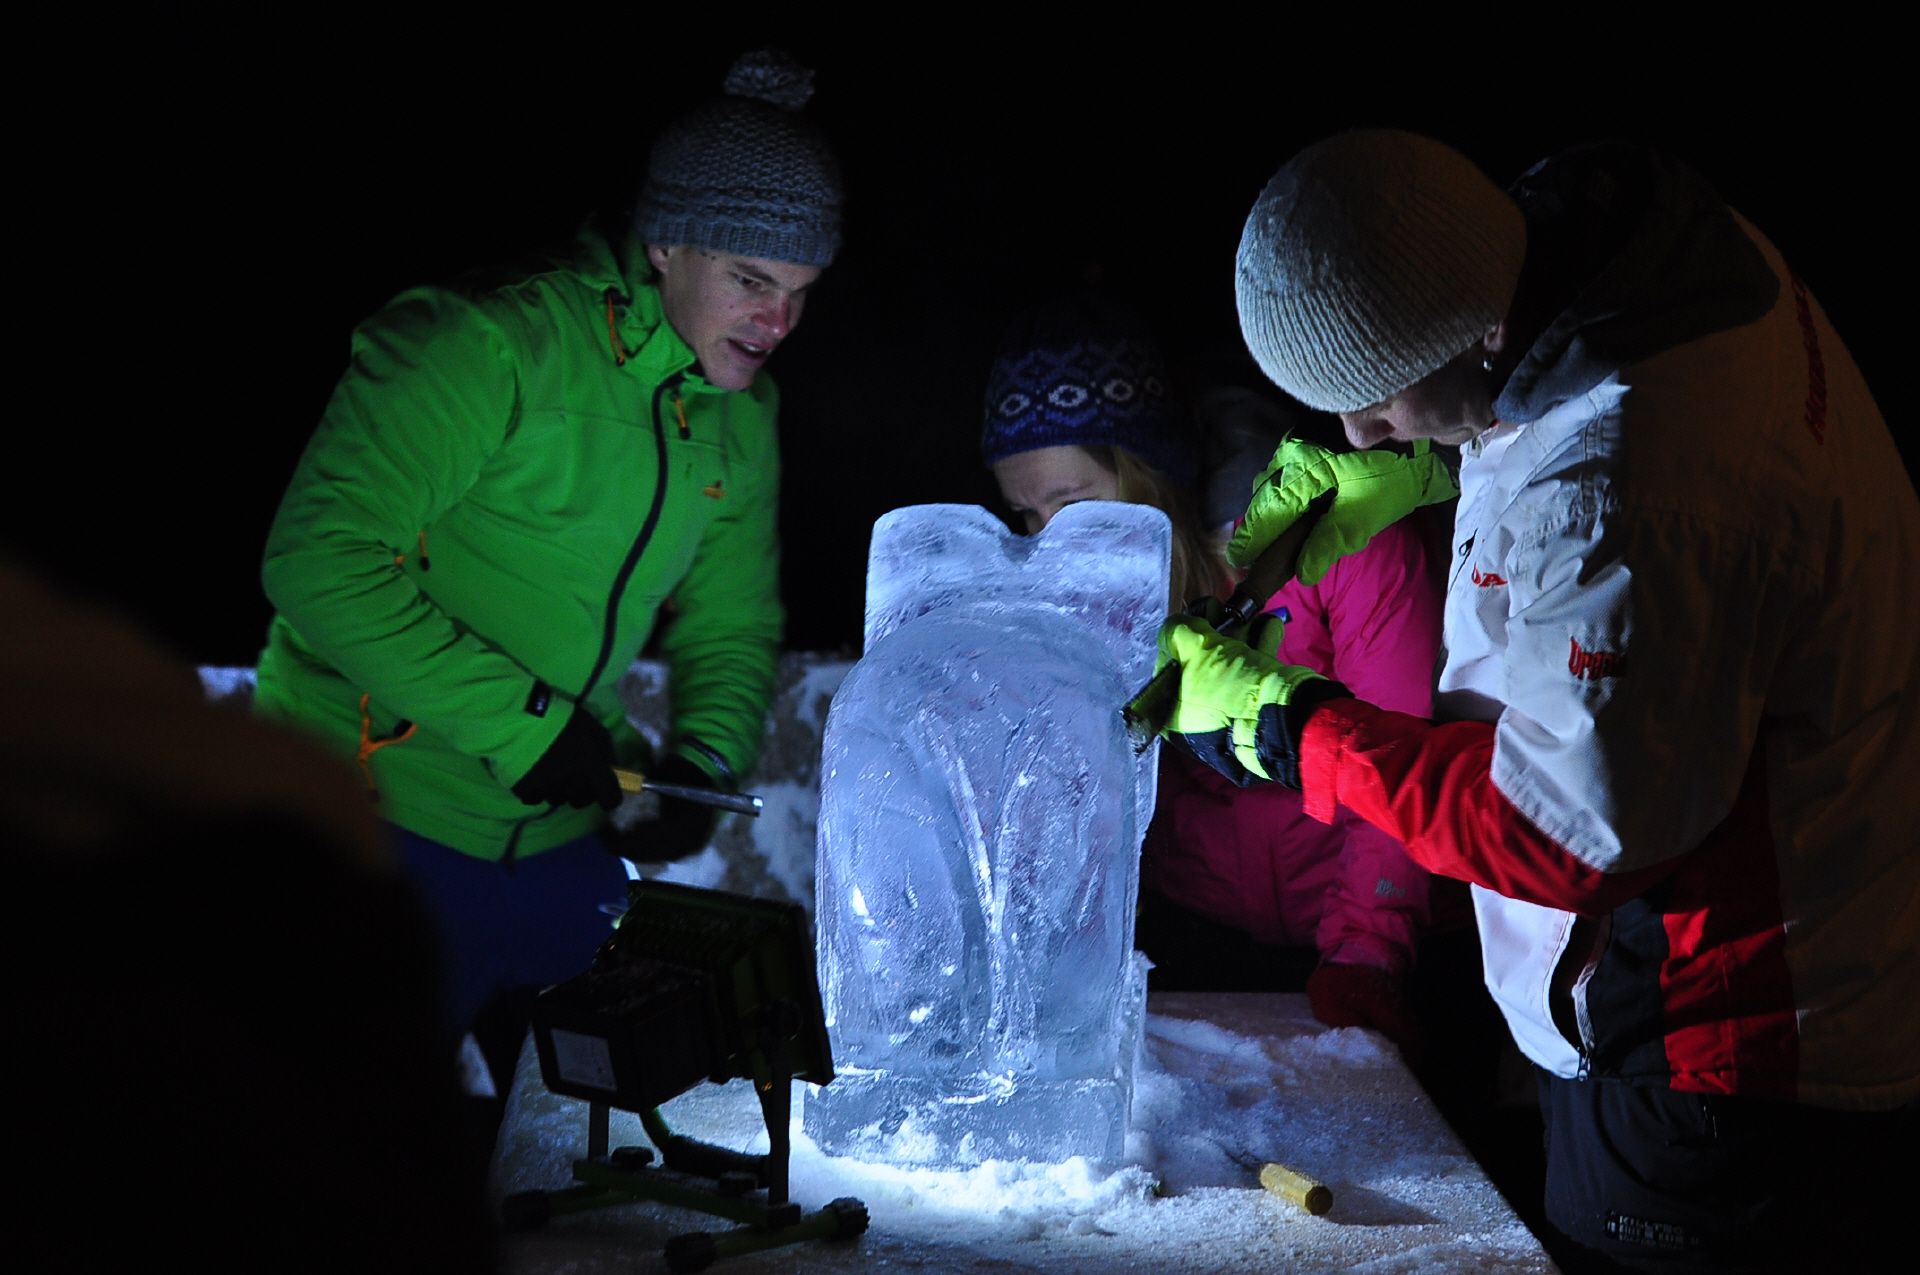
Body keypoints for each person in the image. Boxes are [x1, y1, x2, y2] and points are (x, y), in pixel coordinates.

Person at [1158, 129, 1919, 1271]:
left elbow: (1559, 833)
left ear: (1475, 328)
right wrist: (1420, 470)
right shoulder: (1621, 266)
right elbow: (1555, 436)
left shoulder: (1630, 487)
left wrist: (1290, 726)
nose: (1355, 431)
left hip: (1717, 1058)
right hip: (1718, 1009)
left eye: (1376, 401)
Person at [253, 51, 842, 1081]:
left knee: (617, 1117)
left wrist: (703, 761)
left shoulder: (741, 415)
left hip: (557, 833)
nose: (778, 322)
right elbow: (316, 560)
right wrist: (523, 726)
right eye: (752, 281)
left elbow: (732, 619)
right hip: (365, 818)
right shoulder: (486, 341)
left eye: (801, 290)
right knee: (323, 1135)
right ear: (665, 243)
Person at [980, 294, 1448, 1061]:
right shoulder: (1080, 589)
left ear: (1147, 471)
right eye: (1027, 516)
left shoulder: (1335, 533)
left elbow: (1396, 756)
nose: (1051, 543)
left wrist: (1367, 953)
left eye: (1072, 502)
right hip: (1194, 942)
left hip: (1368, 937)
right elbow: (1074, 789)